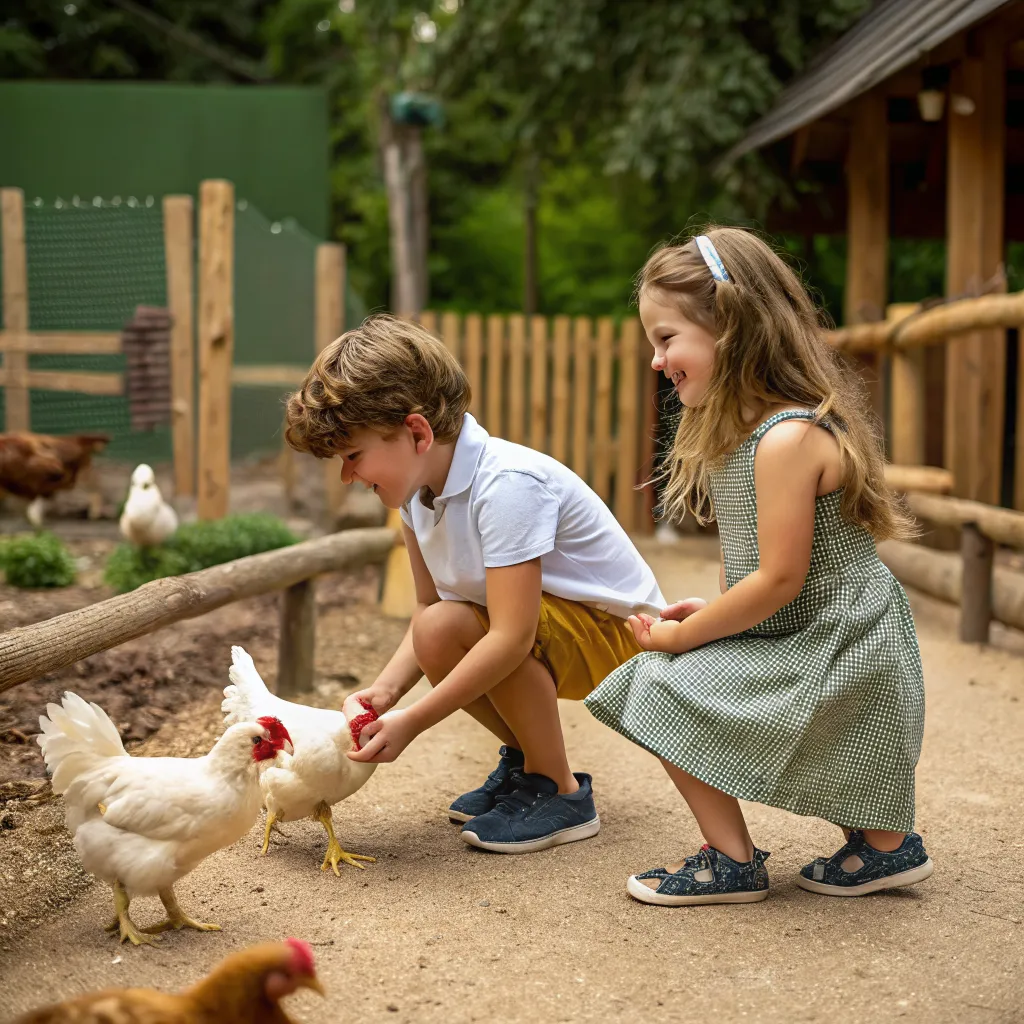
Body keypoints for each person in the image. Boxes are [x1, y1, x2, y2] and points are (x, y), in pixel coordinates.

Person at [585, 228, 932, 904]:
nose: (656, 360)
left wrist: (688, 636)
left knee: (658, 682)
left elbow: (780, 580)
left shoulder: (787, 439)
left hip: (844, 642)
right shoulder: (741, 436)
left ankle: (740, 861)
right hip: (817, 632)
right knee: (680, 678)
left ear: (731, 329)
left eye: (666, 339)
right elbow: (754, 570)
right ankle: (882, 846)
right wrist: (713, 619)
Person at [284, 315, 664, 854]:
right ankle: (526, 762)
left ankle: (559, 790)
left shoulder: (506, 485)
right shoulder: (417, 496)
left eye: (353, 456)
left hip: (624, 638)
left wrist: (412, 721)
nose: (347, 476)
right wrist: (385, 692)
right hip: (552, 632)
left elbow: (510, 635)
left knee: (455, 624)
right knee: (439, 627)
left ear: (416, 432)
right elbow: (427, 609)